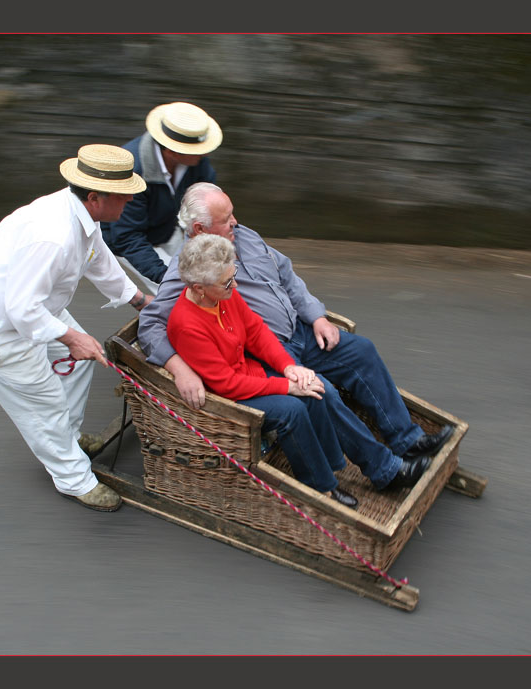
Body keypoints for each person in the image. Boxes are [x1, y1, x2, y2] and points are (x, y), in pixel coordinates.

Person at [139, 182, 453, 493]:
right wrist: (180, 369)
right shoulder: (188, 273)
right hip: (268, 352)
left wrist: (316, 315)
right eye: (226, 219)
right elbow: (150, 324)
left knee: (362, 351)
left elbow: (287, 274)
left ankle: (407, 440)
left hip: (299, 331)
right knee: (322, 392)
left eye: (233, 214)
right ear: (199, 228)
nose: (235, 222)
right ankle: (385, 471)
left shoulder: (243, 235)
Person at [0, 144, 154, 512]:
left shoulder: (78, 214)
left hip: (32, 312)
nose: (128, 205)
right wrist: (71, 337)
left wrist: (140, 300)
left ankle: (68, 438)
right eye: (123, 198)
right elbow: (21, 310)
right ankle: (72, 478)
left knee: (79, 363)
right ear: (95, 196)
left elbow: (98, 257)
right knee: (45, 407)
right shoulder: (53, 236)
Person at [167, 233, 359, 508]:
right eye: (227, 282)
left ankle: (330, 467)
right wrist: (286, 386)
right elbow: (226, 384)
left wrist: (289, 367)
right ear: (199, 288)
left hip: (247, 374)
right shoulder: (186, 325)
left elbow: (256, 331)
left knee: (312, 388)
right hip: (226, 397)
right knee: (292, 409)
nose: (235, 285)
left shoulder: (223, 294)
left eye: (233, 276)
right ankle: (320, 487)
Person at [101, 101, 222, 294]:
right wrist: (168, 277)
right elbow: (127, 236)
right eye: (198, 150)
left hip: (166, 228)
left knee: (211, 279)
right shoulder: (133, 172)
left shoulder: (198, 164)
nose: (206, 153)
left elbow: (208, 205)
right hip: (127, 238)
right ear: (172, 150)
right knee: (180, 292)